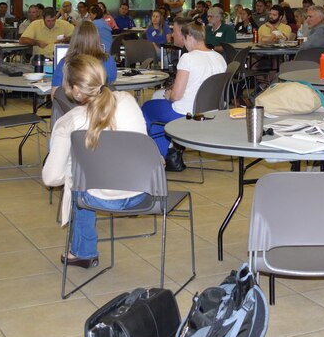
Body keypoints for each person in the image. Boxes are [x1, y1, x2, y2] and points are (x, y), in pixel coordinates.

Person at [43, 54, 149, 268]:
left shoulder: (69, 122)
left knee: (79, 180)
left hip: (98, 198)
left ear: (77, 91)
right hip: (143, 193)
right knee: (85, 175)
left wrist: (74, 168)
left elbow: (51, 178)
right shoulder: (129, 100)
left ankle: (83, 252)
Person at [141, 17, 227, 169]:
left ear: (189, 37)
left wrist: (169, 95)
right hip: (211, 113)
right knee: (158, 111)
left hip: (186, 114)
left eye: (184, 39)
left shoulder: (188, 58)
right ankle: (166, 155)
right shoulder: (220, 58)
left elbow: (176, 96)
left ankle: (158, 156)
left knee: (148, 107)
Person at [51, 21, 116, 88]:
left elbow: (55, 94)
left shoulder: (65, 63)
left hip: (74, 98)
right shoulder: (108, 60)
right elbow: (110, 86)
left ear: (74, 38)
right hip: (101, 98)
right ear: (97, 37)